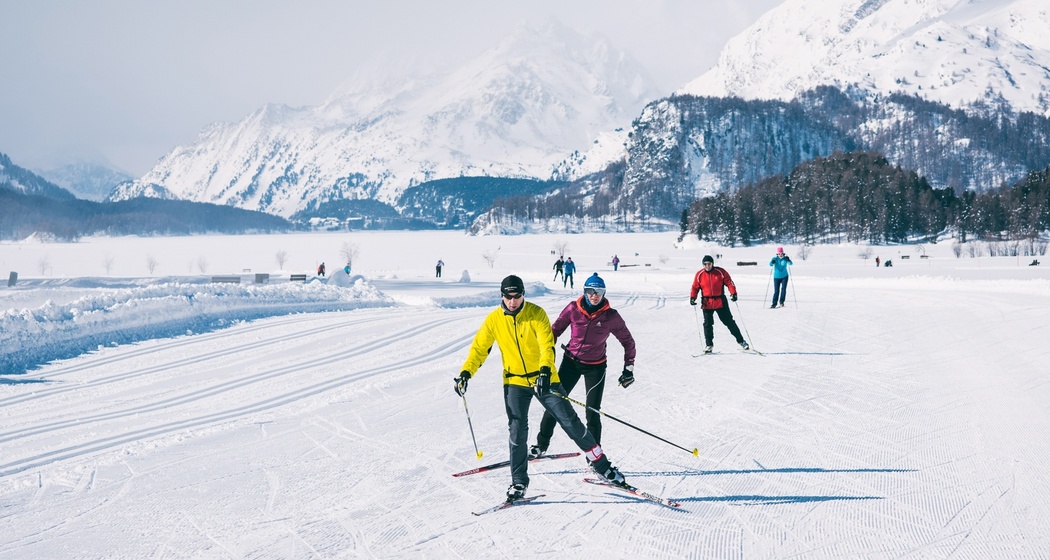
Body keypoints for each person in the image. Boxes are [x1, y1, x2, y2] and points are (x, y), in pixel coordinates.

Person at [454, 275, 627, 502]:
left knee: (571, 422)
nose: (513, 301)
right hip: (515, 382)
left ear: (523, 294)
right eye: (508, 296)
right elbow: (479, 350)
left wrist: (545, 370)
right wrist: (466, 373)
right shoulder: (494, 320)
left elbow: (547, 345)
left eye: (517, 296)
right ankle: (519, 481)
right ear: (502, 296)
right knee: (517, 430)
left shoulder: (536, 314)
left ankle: (602, 465)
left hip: (543, 378)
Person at [531, 273, 636, 458]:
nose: (594, 295)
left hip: (596, 368)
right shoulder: (573, 309)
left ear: (604, 293)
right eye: (590, 291)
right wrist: (540, 359)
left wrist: (628, 368)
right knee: (554, 405)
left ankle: (595, 457)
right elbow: (553, 332)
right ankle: (541, 445)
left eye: (599, 291)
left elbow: (628, 341)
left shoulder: (611, 316)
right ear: (585, 292)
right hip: (570, 363)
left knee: (592, 413)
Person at [689, 255, 749, 353]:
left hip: (720, 301)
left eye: (709, 264)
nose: (707, 266)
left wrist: (733, 293)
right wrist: (692, 297)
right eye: (705, 264)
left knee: (729, 322)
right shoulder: (699, 274)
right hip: (707, 302)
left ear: (712, 264)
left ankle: (742, 341)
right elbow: (695, 287)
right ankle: (709, 345)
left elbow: (729, 282)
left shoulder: (720, 272)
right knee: (708, 324)